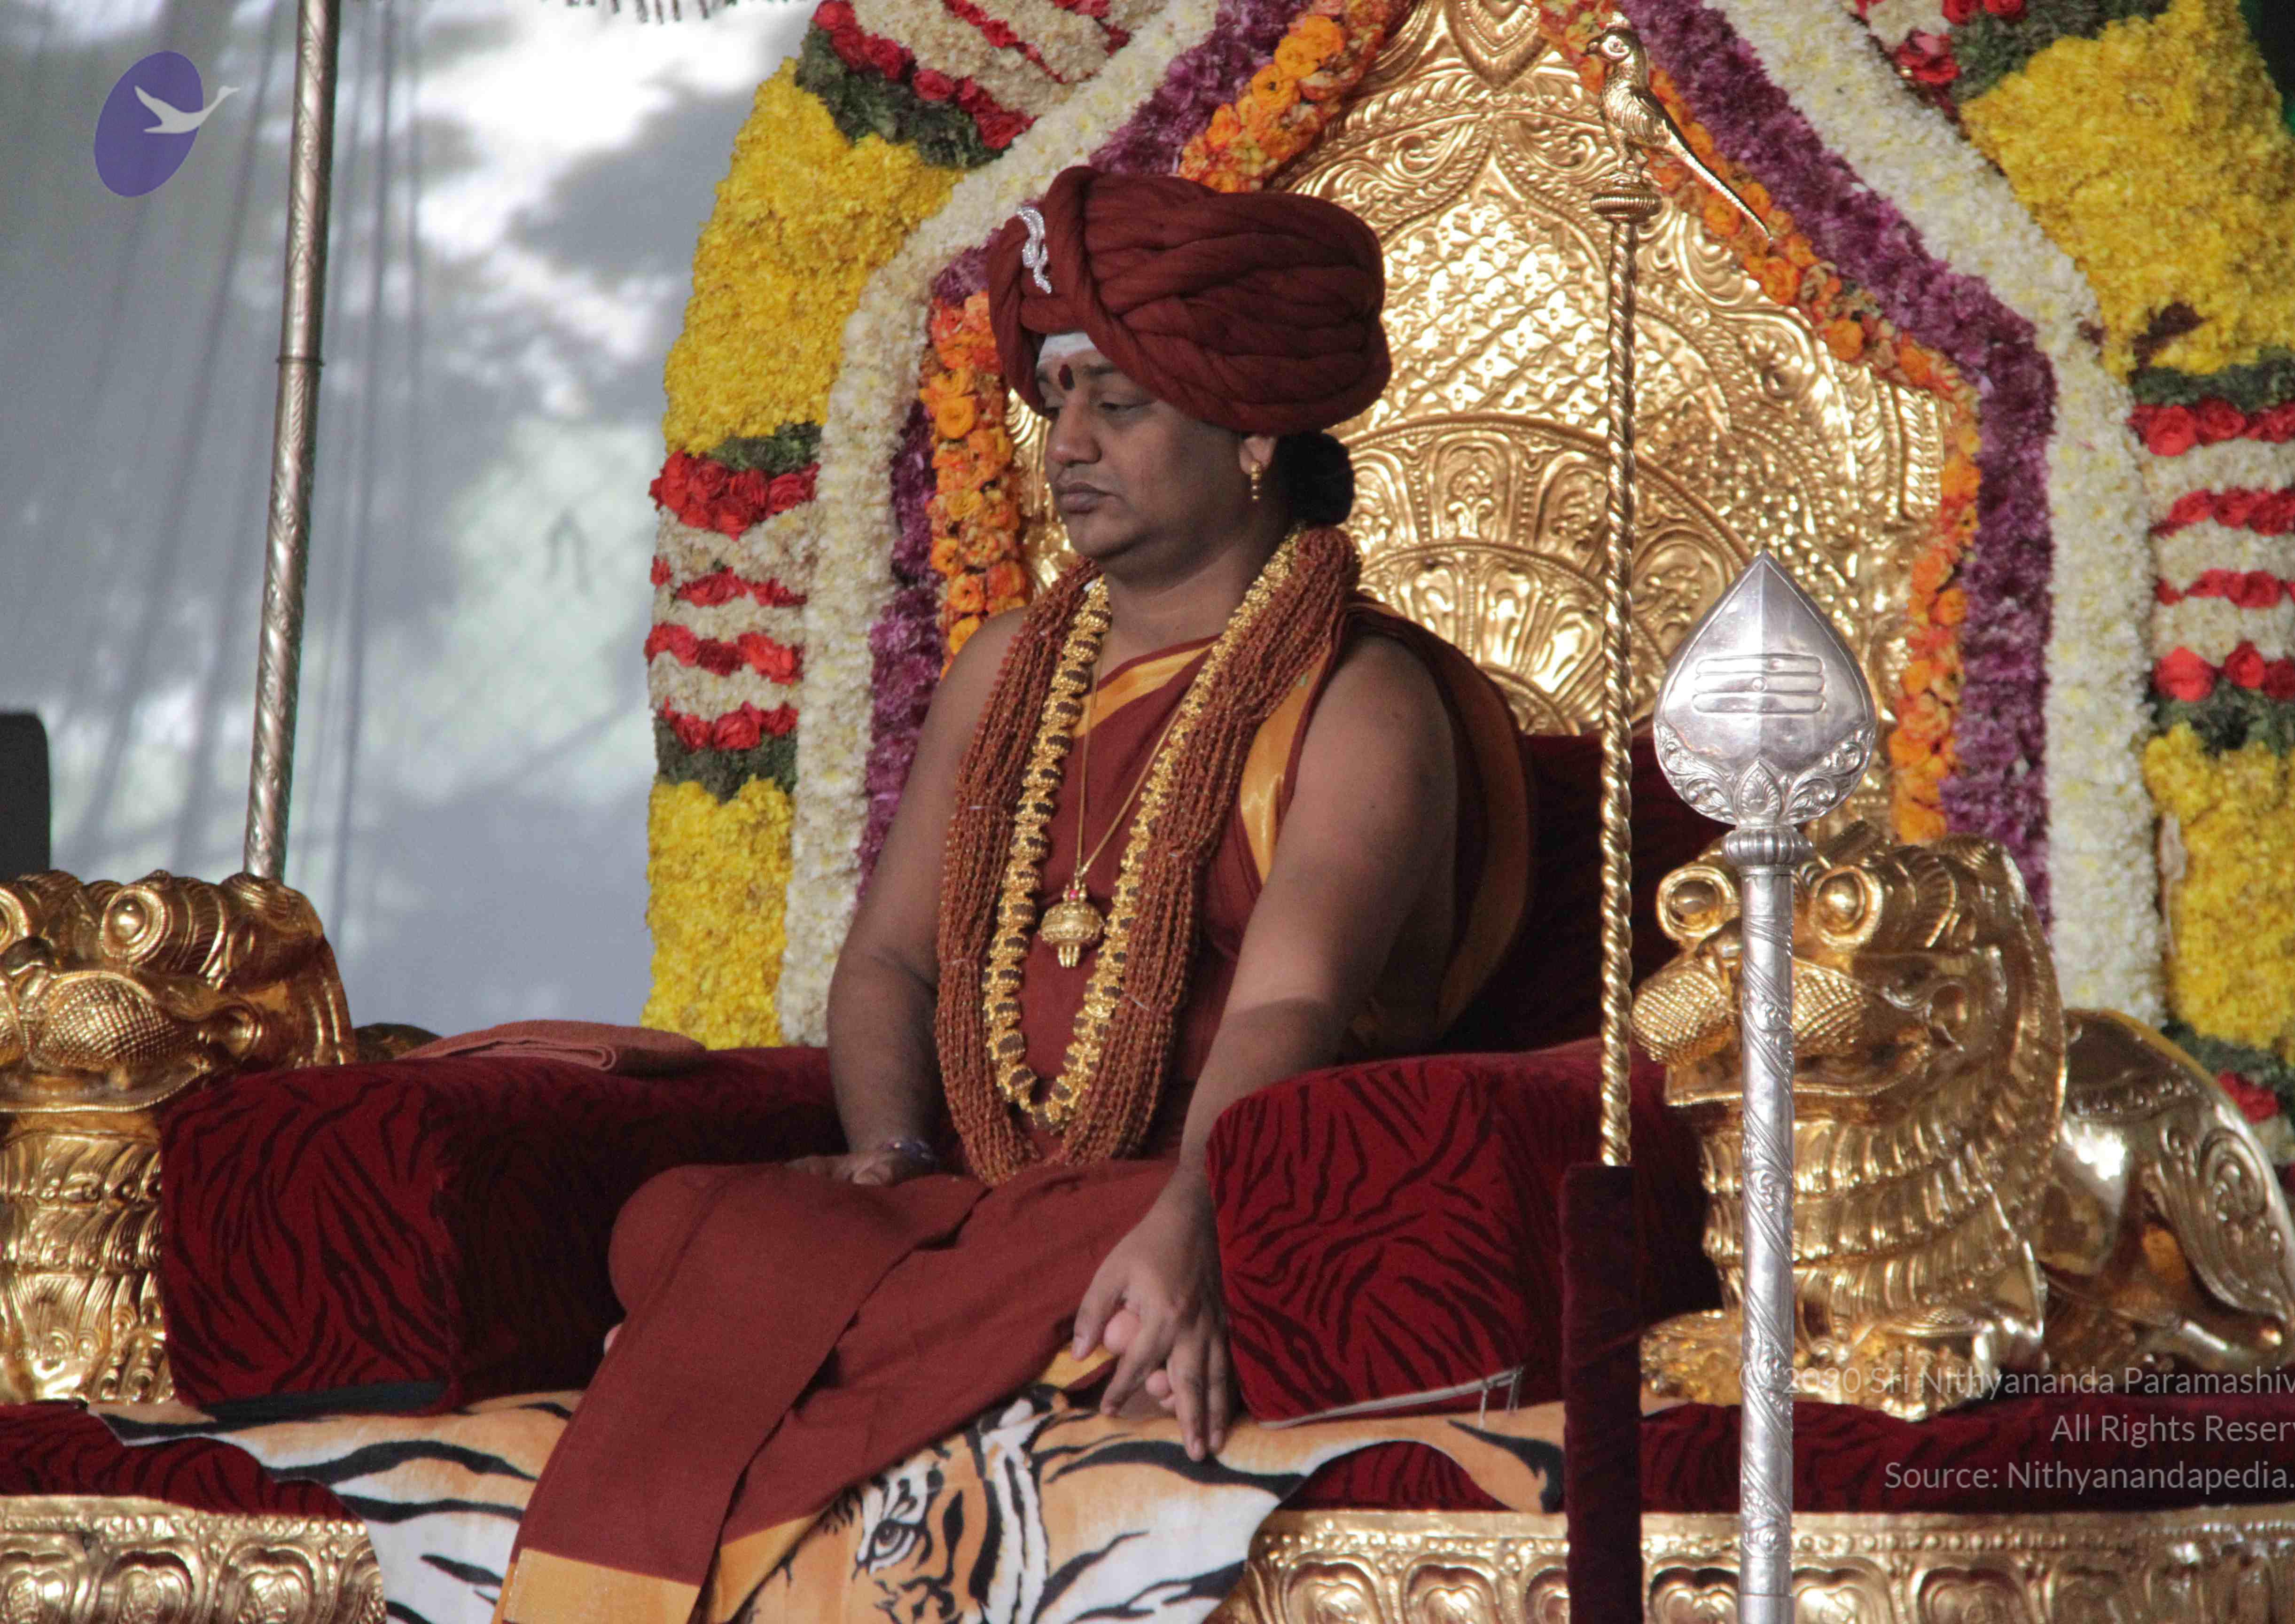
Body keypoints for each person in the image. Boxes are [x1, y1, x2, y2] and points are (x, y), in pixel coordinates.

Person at [490, 165, 1529, 1624]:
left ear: (1255, 437)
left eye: (1122, 403)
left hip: (1195, 1186)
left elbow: (1288, 1006)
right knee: (674, 1217)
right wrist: (892, 1151)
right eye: (1057, 399)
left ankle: (821, 1342)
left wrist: (1191, 1222)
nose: (1070, 444)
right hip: (984, 1196)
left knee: (884, 1264)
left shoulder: (1360, 701)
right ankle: (887, 1316)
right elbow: (891, 965)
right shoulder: (1008, 674)